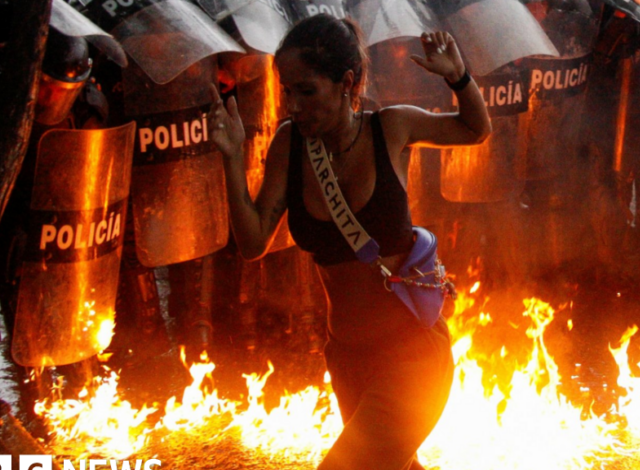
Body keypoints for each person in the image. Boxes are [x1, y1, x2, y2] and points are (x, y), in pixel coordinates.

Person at [207, 14, 491, 470]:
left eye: (306, 91)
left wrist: (458, 77)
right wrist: (231, 157)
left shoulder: (392, 128)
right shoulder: (289, 144)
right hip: (348, 358)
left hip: (413, 356)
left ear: (346, 83)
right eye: (287, 92)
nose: (293, 107)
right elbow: (253, 241)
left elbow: (475, 130)